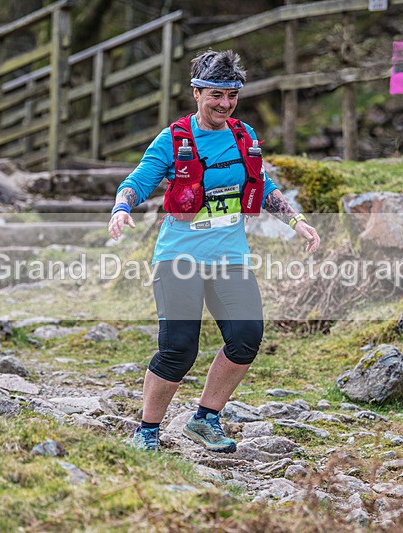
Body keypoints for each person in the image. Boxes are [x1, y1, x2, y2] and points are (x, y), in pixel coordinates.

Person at [108, 50, 320, 452]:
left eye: (232, 96)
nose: (224, 104)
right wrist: (121, 209)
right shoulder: (174, 139)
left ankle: (205, 418)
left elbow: (265, 185)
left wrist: (297, 221)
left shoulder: (244, 137)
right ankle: (147, 431)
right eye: (216, 95)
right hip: (179, 258)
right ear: (197, 92)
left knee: (246, 338)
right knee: (178, 348)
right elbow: (137, 180)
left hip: (230, 257)